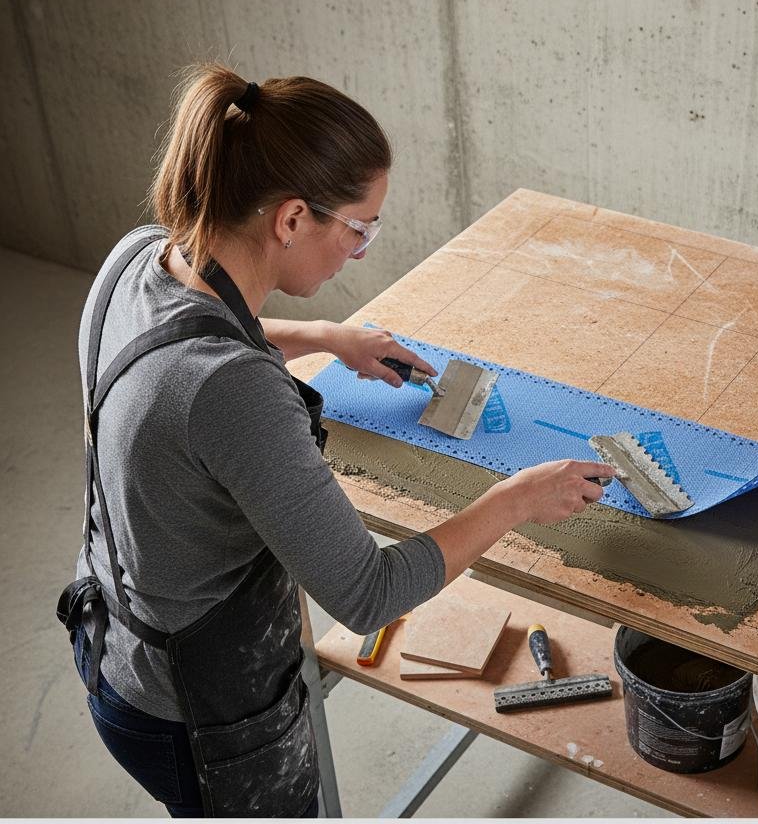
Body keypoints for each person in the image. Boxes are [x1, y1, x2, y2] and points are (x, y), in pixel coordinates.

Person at [56, 64, 615, 818]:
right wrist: (515, 500)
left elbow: (187, 352)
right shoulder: (236, 394)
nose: (362, 250)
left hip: (110, 638)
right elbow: (368, 595)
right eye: (360, 228)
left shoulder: (138, 256)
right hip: (194, 718)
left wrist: (325, 337)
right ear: (291, 219)